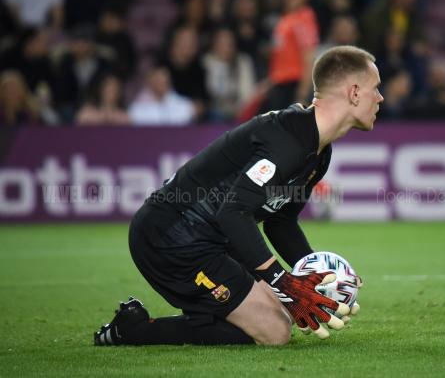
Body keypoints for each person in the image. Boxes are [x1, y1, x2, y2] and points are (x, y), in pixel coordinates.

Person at [94, 45, 378, 346]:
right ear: (355, 92)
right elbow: (234, 211)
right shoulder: (289, 139)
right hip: (171, 236)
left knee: (283, 309)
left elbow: (280, 222)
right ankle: (134, 330)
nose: (381, 98)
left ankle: (209, 315)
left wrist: (316, 277)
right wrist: (283, 281)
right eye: (376, 88)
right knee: (275, 331)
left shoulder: (318, 152)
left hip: (213, 237)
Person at [263, 0, 319, 112]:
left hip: (292, 86)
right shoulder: (286, 18)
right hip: (279, 85)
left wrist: (301, 95)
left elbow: (309, 56)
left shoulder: (304, 17)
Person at [128, 66, 195, 126]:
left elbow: (184, 118)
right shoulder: (137, 106)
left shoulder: (184, 104)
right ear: (150, 82)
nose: (161, 83)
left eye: (163, 80)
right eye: (157, 80)